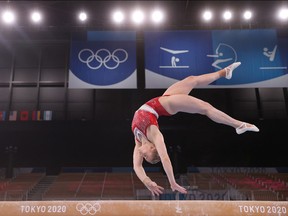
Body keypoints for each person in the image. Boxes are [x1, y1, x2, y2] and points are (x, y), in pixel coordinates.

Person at [131, 62, 259, 196]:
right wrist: (172, 182)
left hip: (161, 100)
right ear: (153, 148)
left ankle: (224, 73)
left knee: (191, 79)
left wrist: (146, 181)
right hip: (167, 105)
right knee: (205, 107)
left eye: (144, 156)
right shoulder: (154, 135)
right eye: (146, 156)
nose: (142, 155)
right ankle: (238, 125)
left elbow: (137, 167)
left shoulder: (138, 140)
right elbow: (165, 157)